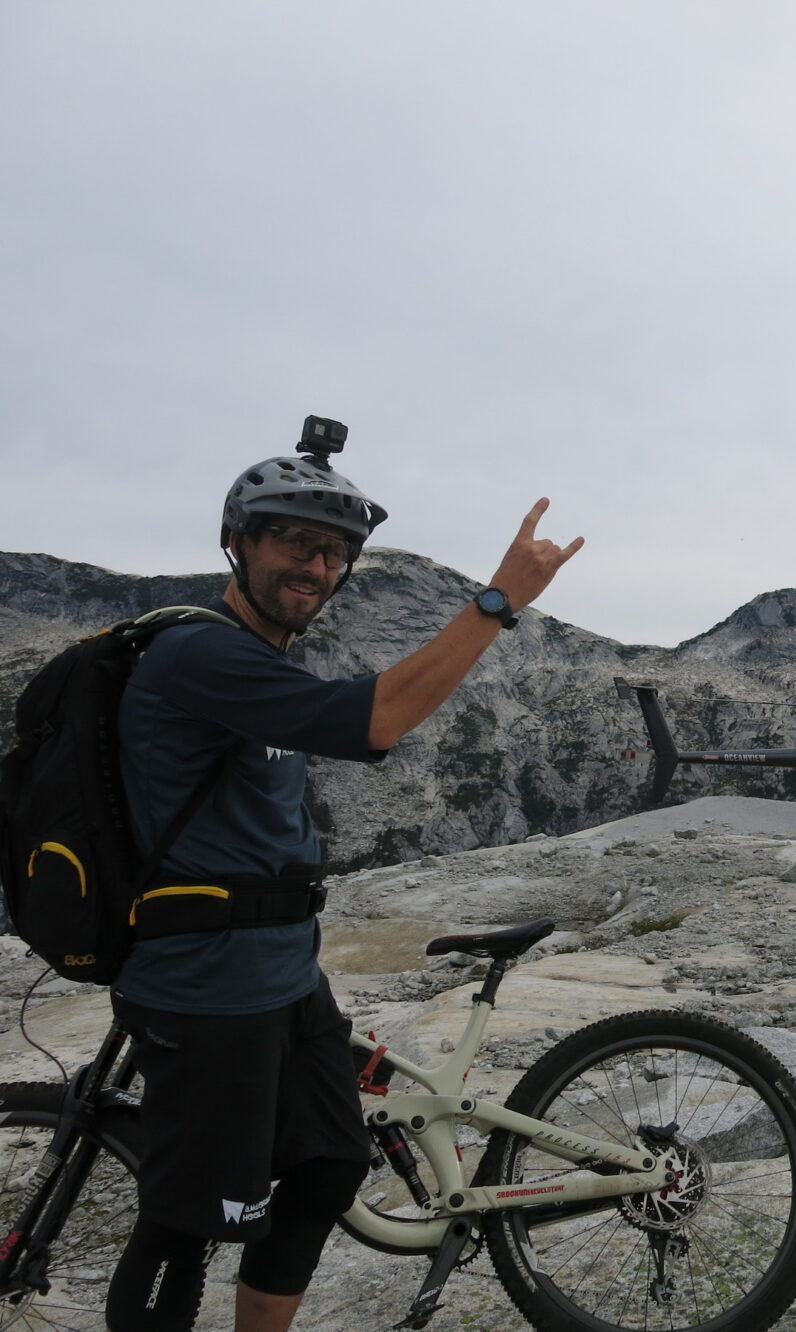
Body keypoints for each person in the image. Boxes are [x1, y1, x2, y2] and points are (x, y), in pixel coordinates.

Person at [103, 441, 583, 1332]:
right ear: (236, 544)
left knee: (328, 1165)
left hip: (283, 979)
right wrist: (498, 599)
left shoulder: (262, 666)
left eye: (332, 552)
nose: (316, 565)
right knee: (191, 1224)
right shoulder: (195, 657)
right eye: (292, 541)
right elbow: (380, 720)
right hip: (206, 989)